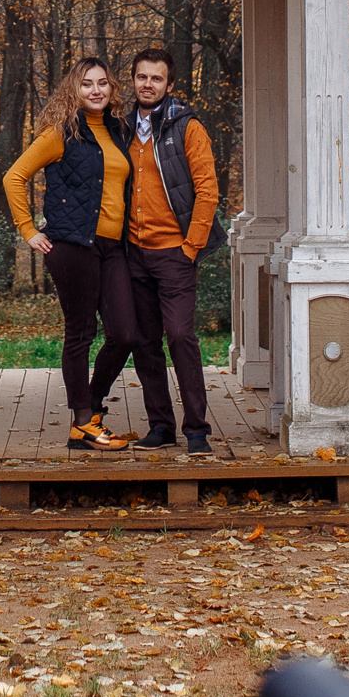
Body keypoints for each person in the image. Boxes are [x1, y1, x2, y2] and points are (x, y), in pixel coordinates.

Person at [2, 56, 140, 450]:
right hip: (72, 246)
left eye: (102, 83)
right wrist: (27, 230)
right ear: (74, 90)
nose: (95, 90)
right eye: (86, 84)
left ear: (111, 89)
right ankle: (83, 420)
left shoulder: (118, 131)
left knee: (124, 333)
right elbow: (14, 177)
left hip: (113, 248)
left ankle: (89, 408)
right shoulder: (60, 133)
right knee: (80, 333)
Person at [120, 46, 222, 454]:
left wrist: (190, 247)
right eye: (142, 77)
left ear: (170, 84)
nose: (148, 84)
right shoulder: (122, 126)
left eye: (156, 78)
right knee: (144, 341)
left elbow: (208, 191)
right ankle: (160, 426)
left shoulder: (187, 127)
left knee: (180, 337)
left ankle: (196, 429)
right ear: (132, 80)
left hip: (175, 253)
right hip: (134, 253)